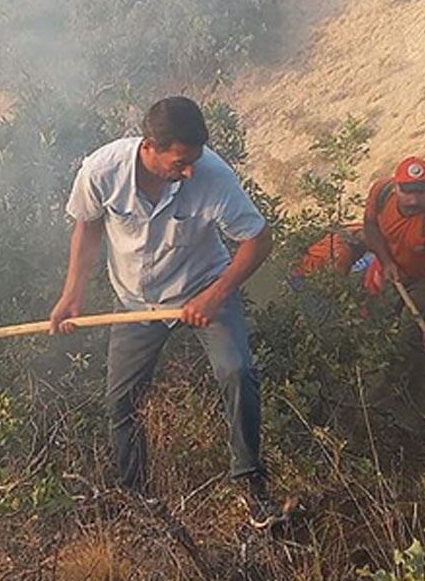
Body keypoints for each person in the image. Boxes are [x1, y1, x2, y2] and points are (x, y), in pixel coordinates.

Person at [48, 97, 282, 527]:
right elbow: (87, 225)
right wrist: (72, 295)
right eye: (180, 162)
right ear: (149, 146)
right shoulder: (101, 171)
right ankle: (137, 497)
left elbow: (259, 240)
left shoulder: (213, 176)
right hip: (137, 301)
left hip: (203, 286)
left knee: (237, 371)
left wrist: (217, 293)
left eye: (194, 160)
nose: (189, 170)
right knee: (121, 400)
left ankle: (251, 483)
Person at [359, 155, 425, 406]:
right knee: (374, 320)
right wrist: (386, 261)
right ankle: (371, 382)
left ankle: (409, 394)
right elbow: (370, 227)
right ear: (396, 186)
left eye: (420, 191)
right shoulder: (381, 191)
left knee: (412, 333)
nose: (413, 199)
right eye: (407, 191)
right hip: (393, 266)